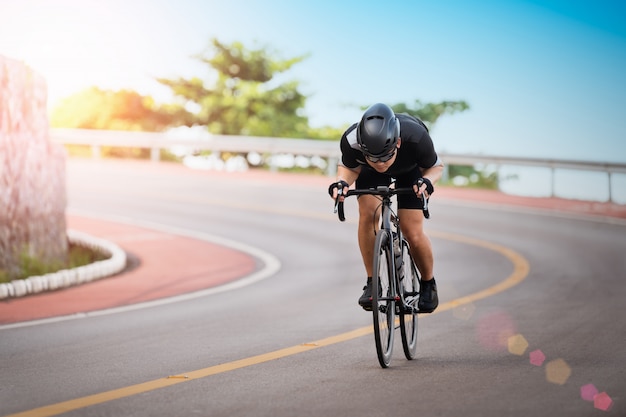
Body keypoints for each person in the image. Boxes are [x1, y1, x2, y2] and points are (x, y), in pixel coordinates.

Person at [328, 103, 444, 313]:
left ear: (397, 142)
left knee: (412, 230)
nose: (380, 163)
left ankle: (428, 284)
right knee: (368, 214)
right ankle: (372, 283)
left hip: (410, 171)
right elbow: (349, 167)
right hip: (368, 174)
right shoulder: (351, 141)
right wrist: (342, 183)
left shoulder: (416, 137)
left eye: (384, 156)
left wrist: (427, 182)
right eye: (373, 157)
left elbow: (435, 167)